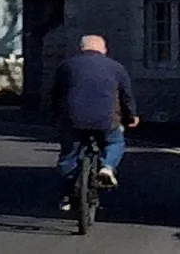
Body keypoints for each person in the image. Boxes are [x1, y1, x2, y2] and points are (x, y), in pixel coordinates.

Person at [48, 34, 139, 211]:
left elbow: (56, 94)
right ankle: (107, 167)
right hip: (106, 120)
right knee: (115, 141)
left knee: (69, 155)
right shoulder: (117, 68)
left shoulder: (66, 66)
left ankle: (66, 196)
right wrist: (132, 116)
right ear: (103, 50)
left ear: (80, 49)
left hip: (72, 119)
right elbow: (126, 95)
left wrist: (55, 115)